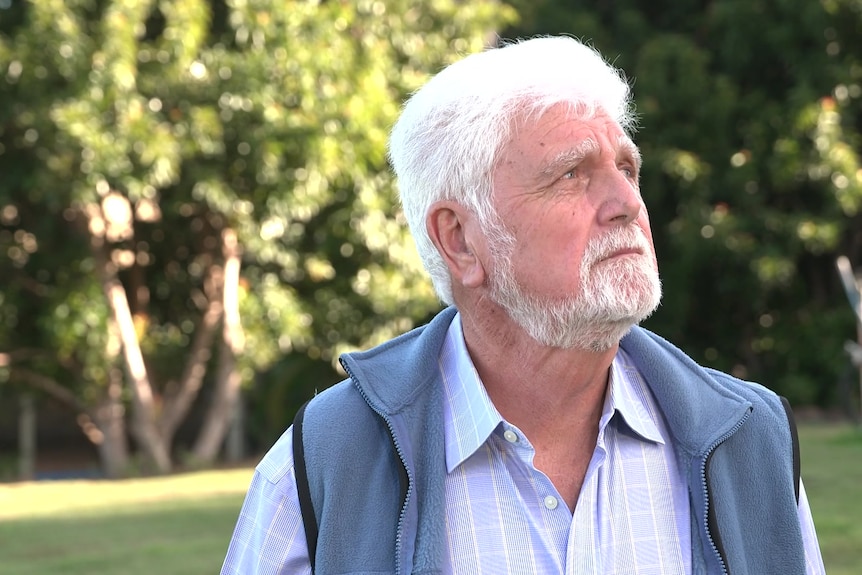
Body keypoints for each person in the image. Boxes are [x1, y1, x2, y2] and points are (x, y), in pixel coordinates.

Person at [221, 35, 826, 574]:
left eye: (626, 169)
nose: (627, 204)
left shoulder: (749, 442)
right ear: (459, 239)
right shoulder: (328, 461)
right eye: (571, 175)